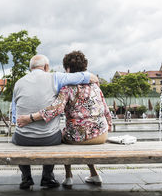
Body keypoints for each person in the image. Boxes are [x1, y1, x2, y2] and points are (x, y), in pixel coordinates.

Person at [17, 50, 112, 188]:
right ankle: (94, 174)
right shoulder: (95, 85)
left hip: (78, 137)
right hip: (101, 135)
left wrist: (30, 118)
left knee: (63, 135)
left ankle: (69, 176)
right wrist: (109, 124)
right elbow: (105, 107)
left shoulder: (67, 88)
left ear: (67, 69)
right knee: (83, 132)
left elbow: (56, 109)